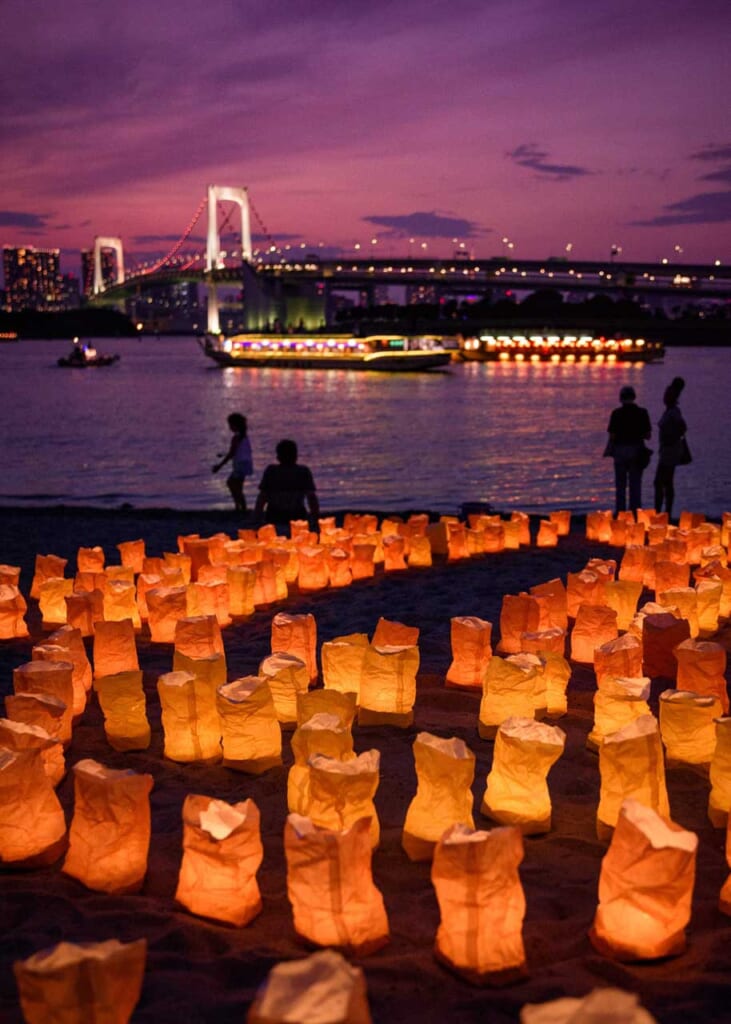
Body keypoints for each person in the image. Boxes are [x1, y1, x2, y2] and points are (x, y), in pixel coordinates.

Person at [606, 385, 652, 514]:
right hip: (636, 451)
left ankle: (620, 515)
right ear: (634, 397)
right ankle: (635, 515)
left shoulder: (616, 413)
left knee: (620, 486)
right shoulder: (643, 413)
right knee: (635, 485)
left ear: (621, 398)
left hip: (620, 451)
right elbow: (648, 435)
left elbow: (612, 436)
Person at [254, 438, 319, 528]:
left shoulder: (272, 471)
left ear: (278, 457)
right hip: (296, 515)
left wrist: (257, 517)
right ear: (296, 456)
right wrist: (315, 518)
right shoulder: (303, 472)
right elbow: (312, 498)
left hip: (275, 515)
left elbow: (262, 497)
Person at [654, 376, 688, 519]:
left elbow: (682, 427)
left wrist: (670, 438)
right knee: (665, 481)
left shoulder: (673, 412)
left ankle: (662, 512)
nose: (664, 397)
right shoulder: (670, 411)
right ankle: (664, 511)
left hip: (670, 450)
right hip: (668, 449)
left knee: (661, 481)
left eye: (666, 395)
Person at [212, 413, 253, 512]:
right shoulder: (244, 437)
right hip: (245, 464)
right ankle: (240, 507)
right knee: (238, 486)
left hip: (240, 465)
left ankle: (240, 507)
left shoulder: (236, 438)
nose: (229, 427)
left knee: (231, 483)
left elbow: (232, 453)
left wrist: (219, 466)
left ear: (235, 425)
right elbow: (236, 451)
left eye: (230, 425)